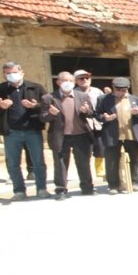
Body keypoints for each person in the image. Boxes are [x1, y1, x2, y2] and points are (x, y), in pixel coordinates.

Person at [0, 61, 50, 200]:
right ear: (4, 75)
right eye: (8, 73)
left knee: (38, 162)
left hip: (33, 131)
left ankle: (42, 189)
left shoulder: (36, 88)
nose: (11, 75)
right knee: (13, 163)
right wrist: (0, 106)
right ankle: (19, 191)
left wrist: (35, 106)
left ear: (22, 73)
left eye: (14, 72)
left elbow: (48, 106)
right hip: (11, 132)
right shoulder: (0, 89)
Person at [40, 71, 96, 199]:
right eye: (65, 81)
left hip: (80, 134)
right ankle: (61, 190)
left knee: (83, 162)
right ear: (58, 82)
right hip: (61, 136)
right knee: (61, 164)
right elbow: (42, 118)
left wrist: (87, 111)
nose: (68, 83)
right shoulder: (49, 98)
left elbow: (91, 113)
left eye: (71, 81)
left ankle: (87, 188)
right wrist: (51, 114)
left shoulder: (82, 96)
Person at [96, 77, 138, 194]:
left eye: (124, 90)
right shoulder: (104, 99)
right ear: (113, 88)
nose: (121, 93)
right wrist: (105, 118)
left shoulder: (135, 100)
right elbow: (97, 114)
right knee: (112, 160)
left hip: (130, 134)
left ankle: (134, 181)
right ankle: (113, 185)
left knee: (134, 159)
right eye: (118, 90)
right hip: (112, 135)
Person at [74, 70, 105, 178]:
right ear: (76, 81)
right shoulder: (73, 93)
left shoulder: (97, 91)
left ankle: (100, 171)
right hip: (82, 125)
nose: (85, 80)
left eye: (87, 78)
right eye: (81, 78)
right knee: (85, 151)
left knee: (100, 148)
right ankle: (86, 174)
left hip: (97, 124)